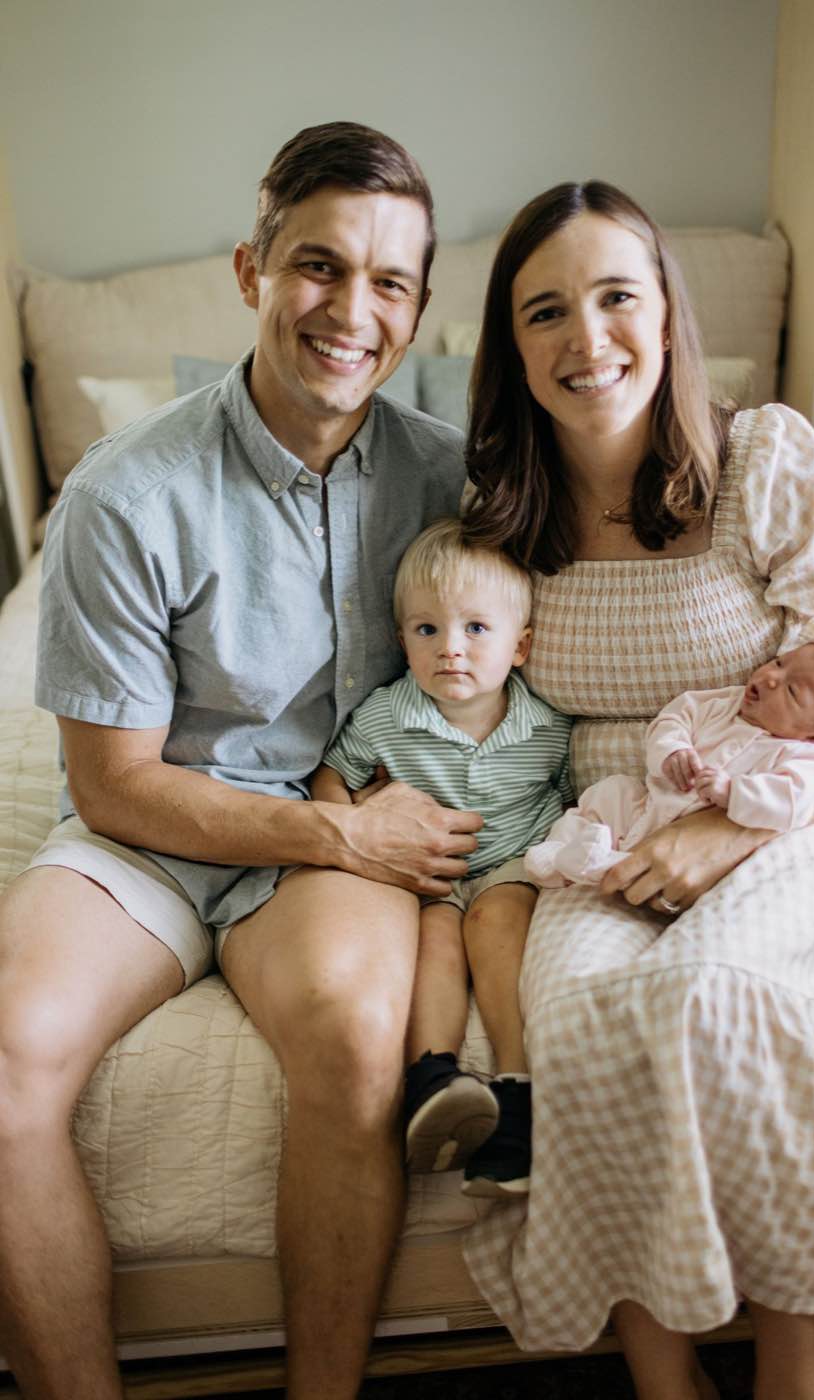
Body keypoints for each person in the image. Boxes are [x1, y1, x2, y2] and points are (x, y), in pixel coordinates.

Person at [0, 123, 479, 1400]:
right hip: (153, 835)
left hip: (320, 835)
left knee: (355, 1032)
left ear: (420, 308)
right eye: (318, 266)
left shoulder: (452, 483)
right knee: (4, 1066)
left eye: (388, 282)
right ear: (250, 271)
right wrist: (342, 836)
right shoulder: (121, 492)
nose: (350, 310)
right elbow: (113, 785)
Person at [458, 180, 814, 1400]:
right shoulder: (503, 517)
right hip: (609, 828)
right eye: (546, 312)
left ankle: (791, 1340)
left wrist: (728, 833)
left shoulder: (760, 459)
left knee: (706, 992)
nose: (587, 338)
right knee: (574, 1018)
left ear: (667, 314)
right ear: (513, 349)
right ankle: (660, 1366)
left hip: (786, 805)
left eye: (618, 296)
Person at [314, 517, 573, 1197]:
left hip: (509, 862)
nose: (450, 649)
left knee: (496, 924)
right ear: (401, 640)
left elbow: (572, 798)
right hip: (424, 877)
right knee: (431, 937)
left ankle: (517, 1090)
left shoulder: (546, 725)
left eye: (475, 629)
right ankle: (436, 1076)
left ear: (520, 647)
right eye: (426, 630)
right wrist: (353, 829)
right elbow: (333, 778)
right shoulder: (384, 716)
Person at [526, 643, 814, 888]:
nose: (769, 677)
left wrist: (733, 793)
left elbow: (791, 801)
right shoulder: (725, 703)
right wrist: (672, 750)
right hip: (648, 805)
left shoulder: (809, 758)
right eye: (780, 663)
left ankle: (601, 865)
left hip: (704, 842)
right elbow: (675, 717)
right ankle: (558, 854)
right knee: (609, 792)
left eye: (792, 691)